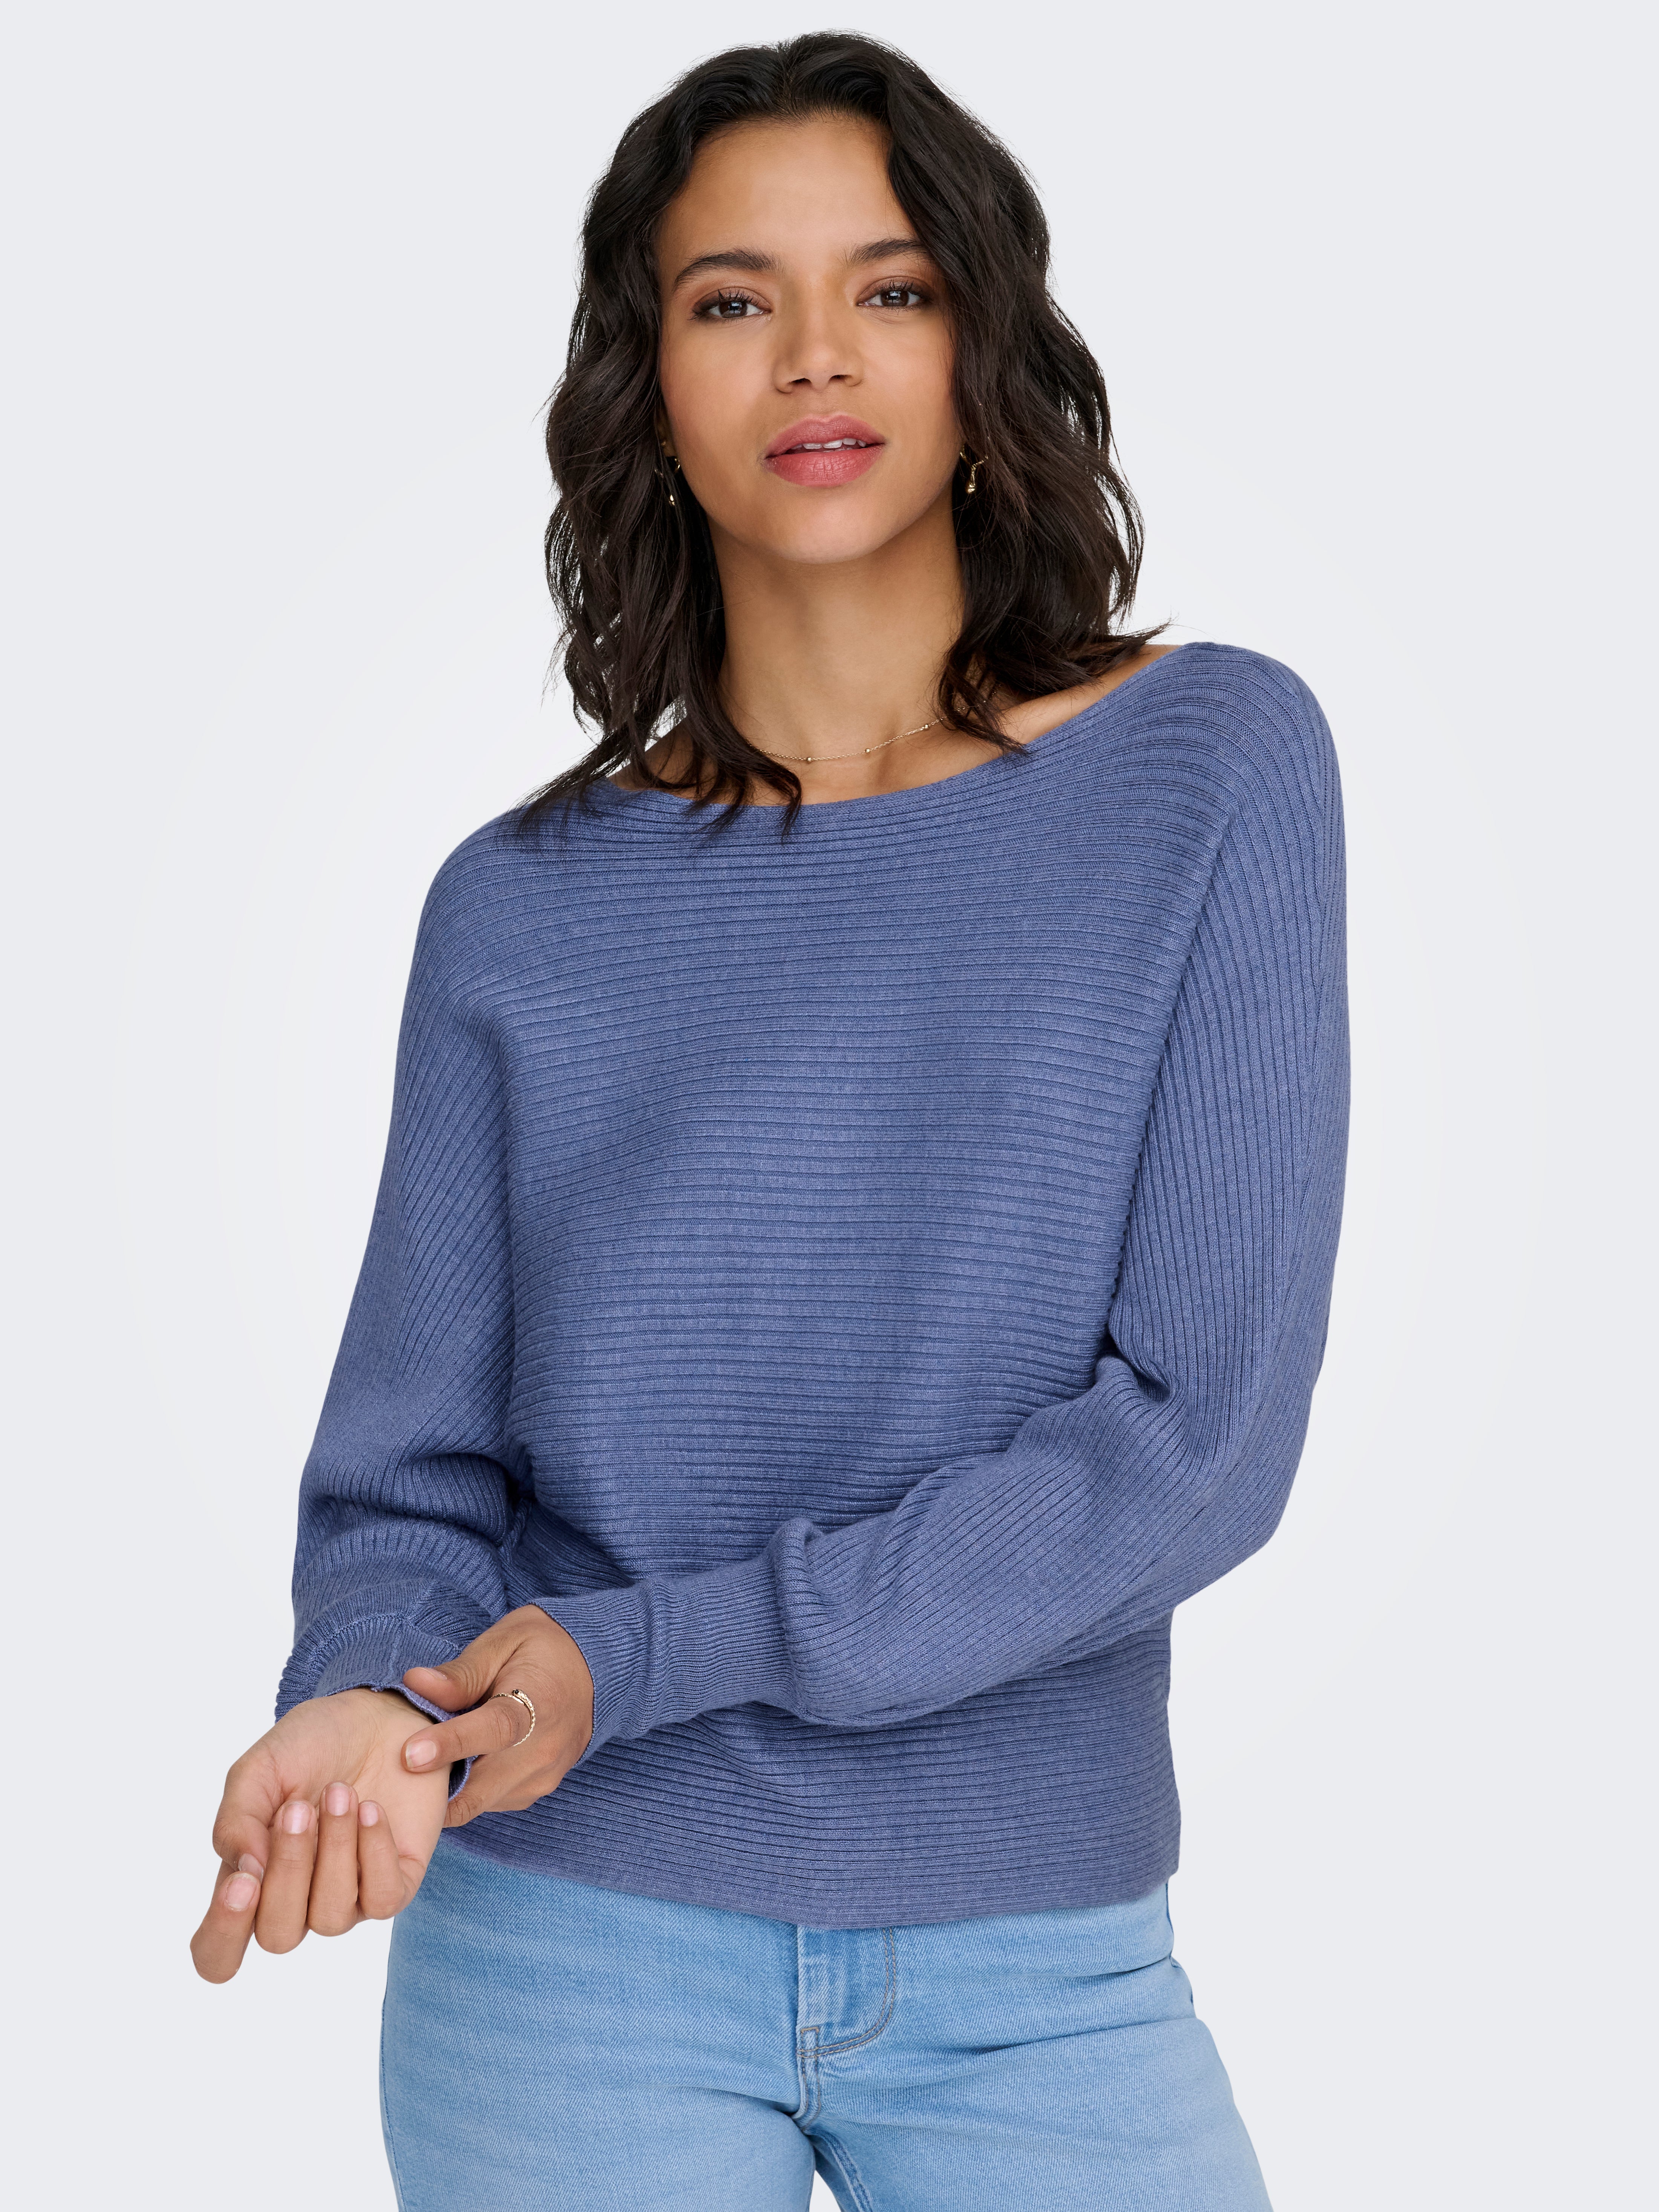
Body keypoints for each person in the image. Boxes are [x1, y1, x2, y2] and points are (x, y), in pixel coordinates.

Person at [190, 32, 1349, 2212]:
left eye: (890, 288)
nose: (817, 353)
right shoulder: (517, 909)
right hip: (560, 1957)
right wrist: (365, 1692)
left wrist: (648, 1655)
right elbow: (411, 1477)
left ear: (983, 348)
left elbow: (1194, 1441)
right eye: (733, 299)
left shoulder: (1211, 773)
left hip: (1039, 1960)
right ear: (648, 386)